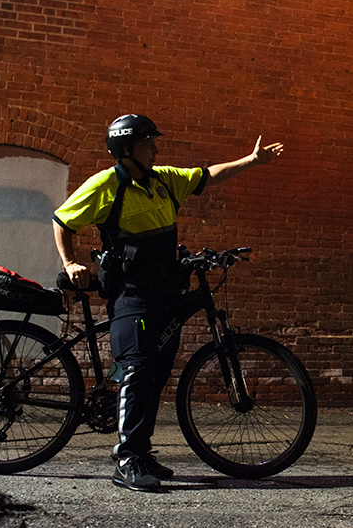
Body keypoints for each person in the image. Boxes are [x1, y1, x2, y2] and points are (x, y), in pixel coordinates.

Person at [52, 114, 283, 492]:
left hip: (164, 293)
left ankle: (141, 451)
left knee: (157, 373)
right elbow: (62, 221)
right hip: (132, 294)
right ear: (127, 149)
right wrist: (70, 262)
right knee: (138, 367)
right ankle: (127, 460)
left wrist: (252, 161)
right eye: (149, 143)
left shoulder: (163, 180)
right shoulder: (108, 184)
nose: (156, 148)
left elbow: (208, 175)